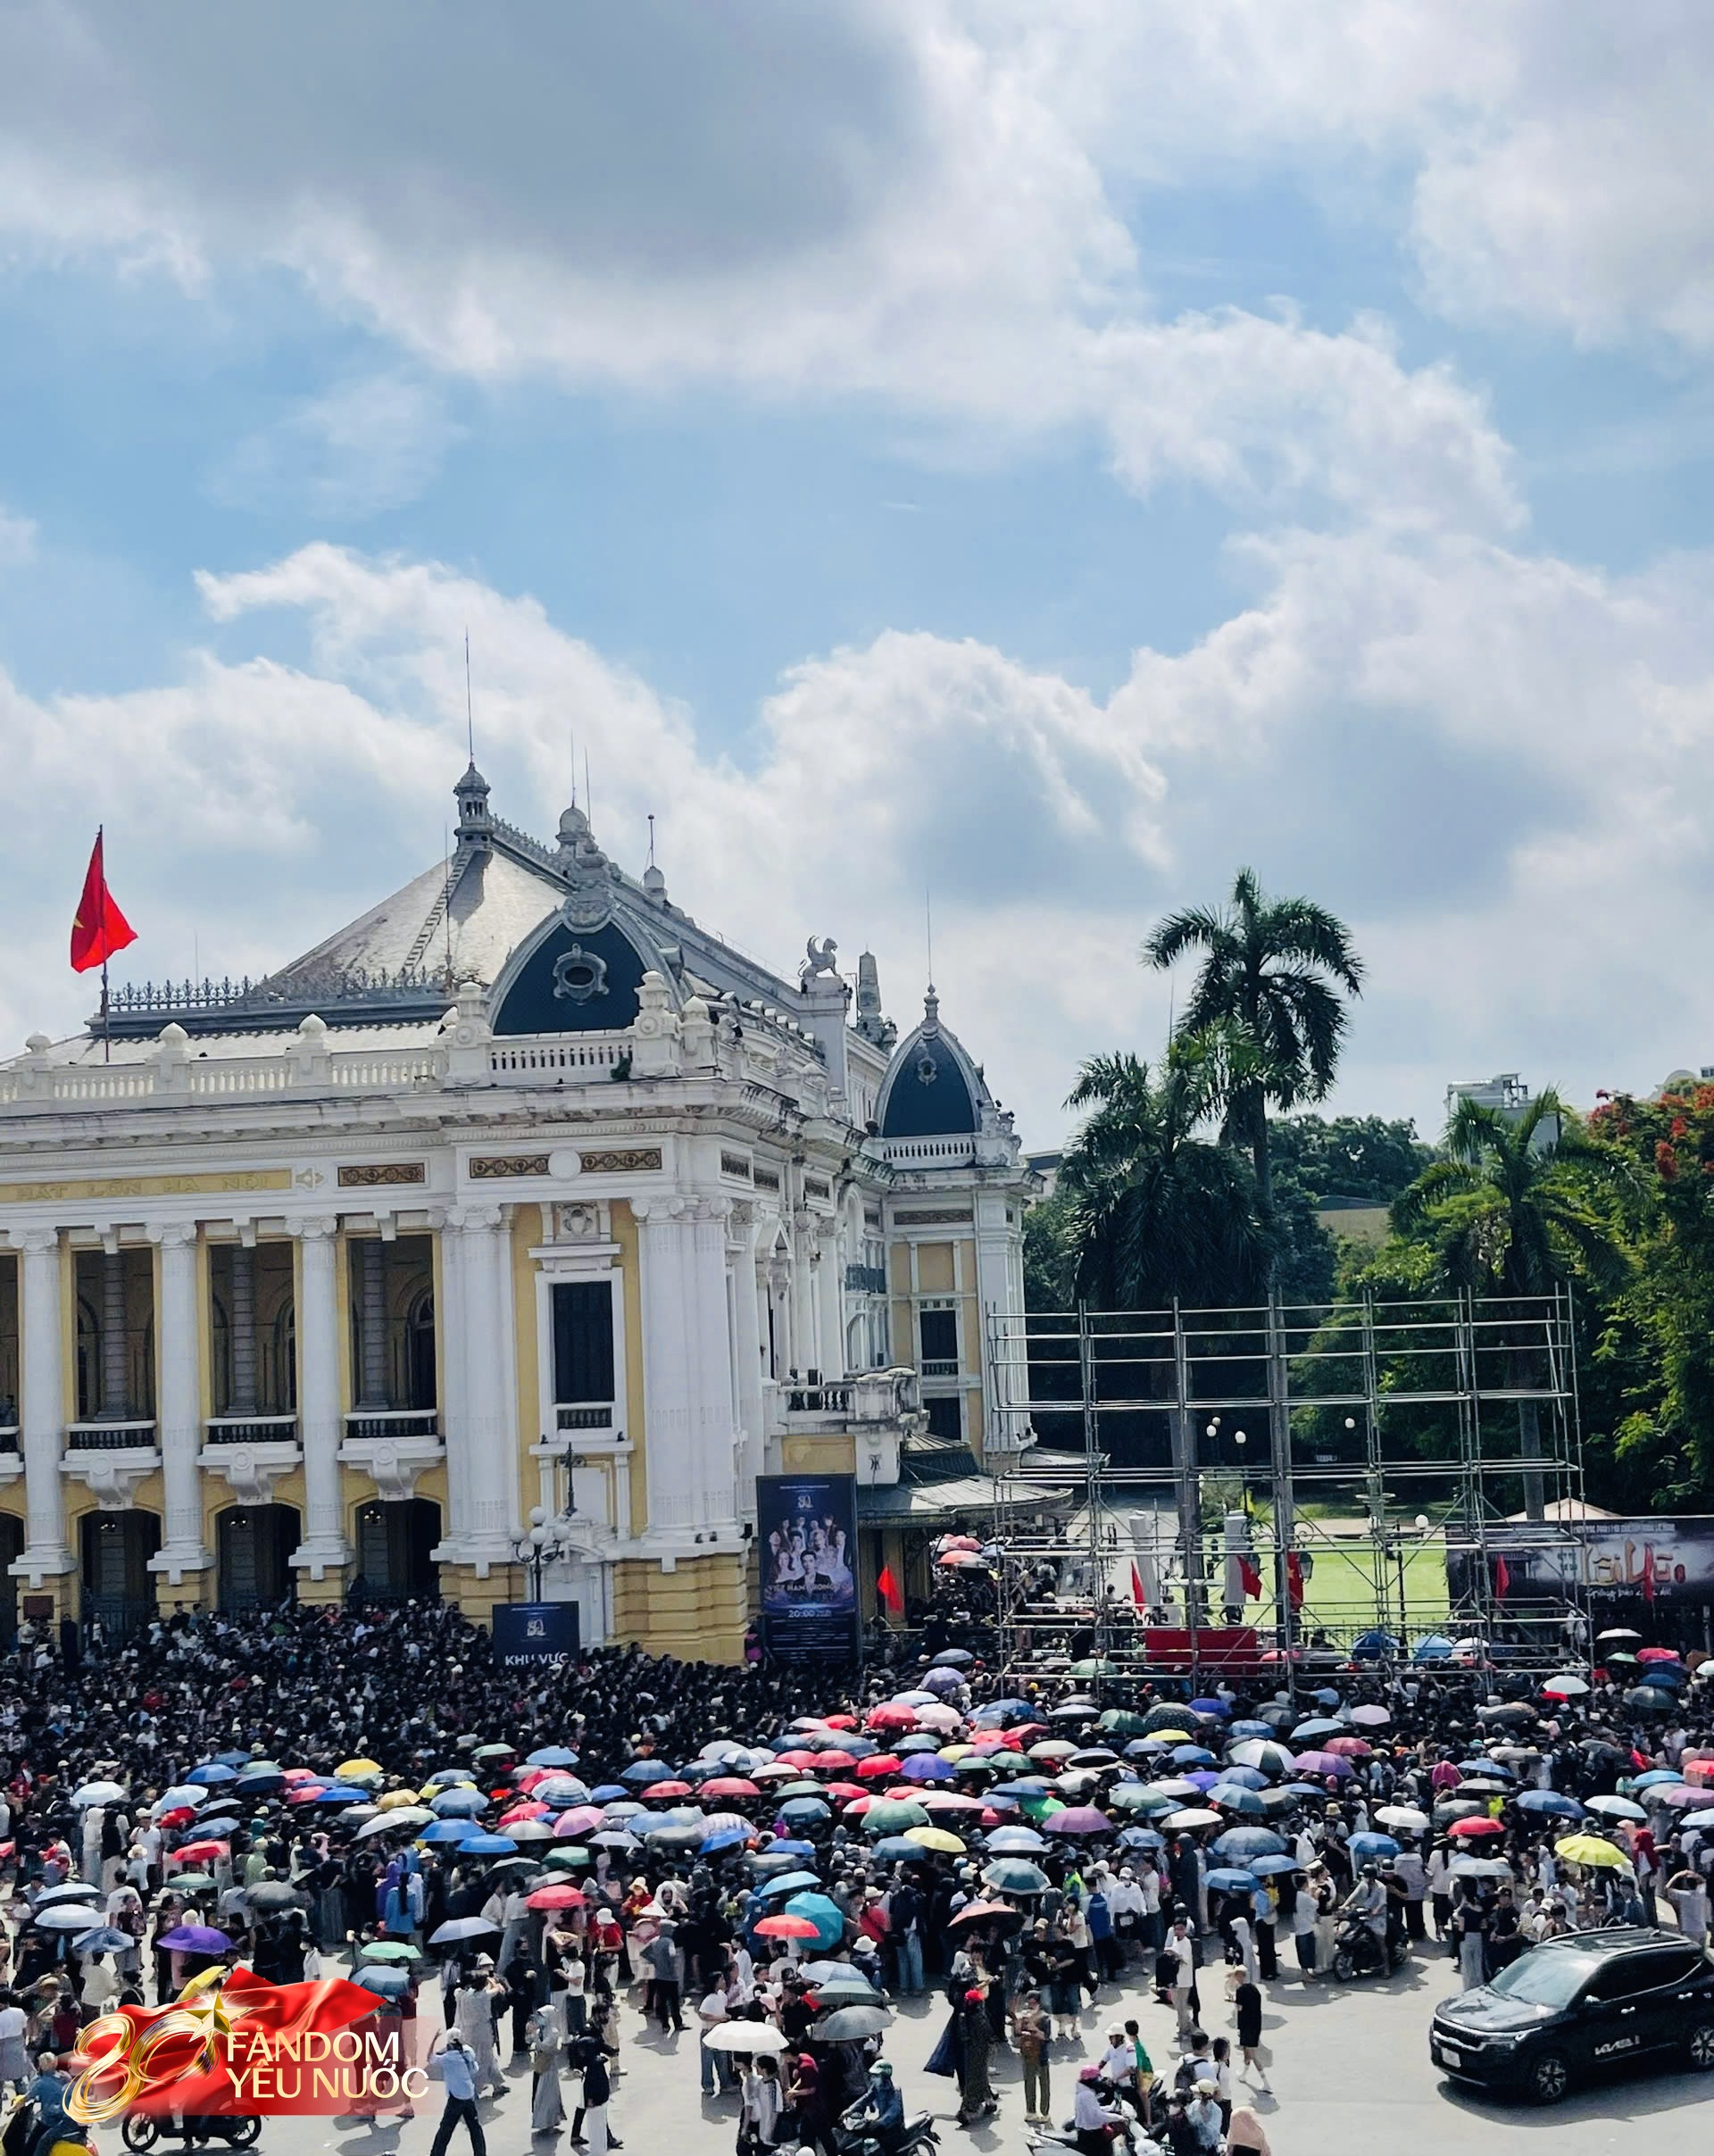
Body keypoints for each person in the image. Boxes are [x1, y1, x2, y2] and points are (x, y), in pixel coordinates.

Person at [425, 2034, 487, 2156]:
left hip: (456, 2098)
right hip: (469, 2096)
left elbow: (430, 2058)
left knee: (445, 2129)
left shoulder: (448, 2058)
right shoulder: (468, 2053)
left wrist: (433, 2039)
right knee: (475, 2128)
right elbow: (475, 2069)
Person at [1008, 1985, 1052, 2126]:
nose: (1030, 2005)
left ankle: (1044, 2113)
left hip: (1041, 2054)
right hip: (1027, 2053)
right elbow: (1016, 2034)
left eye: (1033, 2002)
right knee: (1029, 2082)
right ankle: (1031, 2111)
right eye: (1029, 2002)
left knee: (1044, 2084)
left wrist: (1033, 2028)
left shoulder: (1044, 2018)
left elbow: (1046, 2037)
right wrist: (1017, 2023)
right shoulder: (1024, 2016)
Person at [845, 2060, 906, 2156]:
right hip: (882, 2123)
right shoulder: (877, 2087)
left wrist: (880, 2122)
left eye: (877, 2076)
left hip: (893, 2127)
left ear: (884, 2076)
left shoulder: (894, 2090)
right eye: (873, 2076)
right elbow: (866, 2098)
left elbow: (894, 2110)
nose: (873, 2079)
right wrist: (850, 2110)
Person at [1071, 2063, 1130, 2156]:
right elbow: (1098, 2116)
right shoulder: (1087, 2095)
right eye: (1096, 2079)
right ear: (1091, 2080)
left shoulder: (1083, 2092)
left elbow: (1093, 2110)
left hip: (1086, 2133)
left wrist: (1110, 2108)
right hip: (1092, 2136)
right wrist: (1119, 2118)